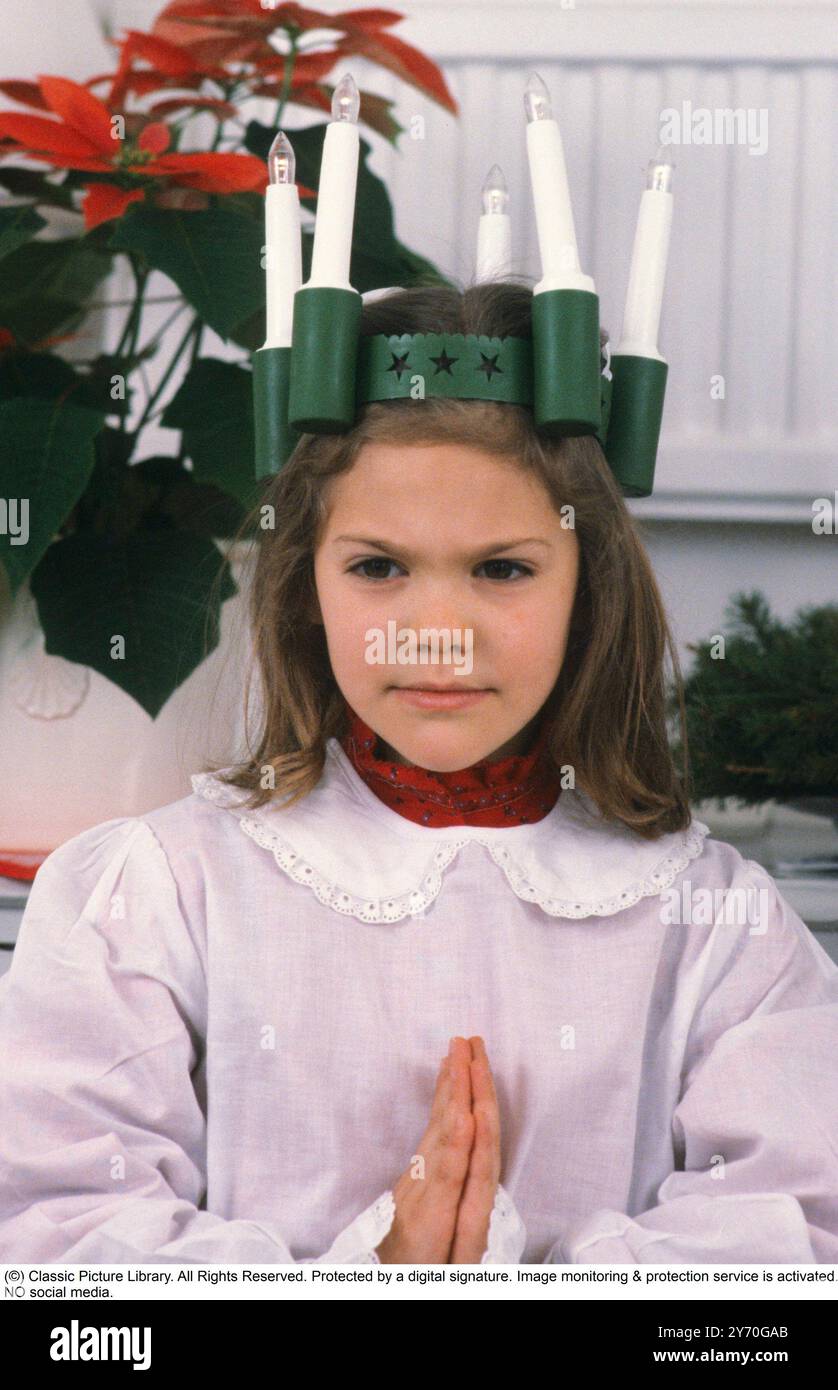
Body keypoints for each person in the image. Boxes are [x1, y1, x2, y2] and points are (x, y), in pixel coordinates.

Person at [1, 281, 837, 1265]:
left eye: (502, 569)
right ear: (307, 581)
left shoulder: (716, 928)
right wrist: (378, 1270)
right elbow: (55, 1242)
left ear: (588, 588)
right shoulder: (147, 899)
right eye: (378, 567)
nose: (436, 631)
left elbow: (796, 1240)